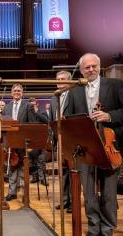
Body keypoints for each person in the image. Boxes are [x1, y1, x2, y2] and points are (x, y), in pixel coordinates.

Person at [64, 53, 123, 236]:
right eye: (86, 67)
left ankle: (108, 228)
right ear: (81, 70)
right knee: (89, 193)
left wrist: (109, 116)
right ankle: (93, 228)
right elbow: (68, 118)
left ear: (99, 66)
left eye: (94, 66)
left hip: (111, 147)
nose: (91, 69)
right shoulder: (74, 91)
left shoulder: (116, 85)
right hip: (85, 149)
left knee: (109, 193)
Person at [3, 84, 45, 201]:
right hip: (10, 141)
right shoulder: (7, 107)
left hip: (23, 142)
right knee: (12, 167)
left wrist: (30, 143)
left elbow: (31, 124)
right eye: (15, 90)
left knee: (22, 168)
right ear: (11, 93)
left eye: (19, 91)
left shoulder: (28, 106)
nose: (17, 92)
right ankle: (12, 192)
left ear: (22, 93)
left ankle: (24, 193)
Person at [50, 70, 73, 213]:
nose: (60, 81)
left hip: (72, 139)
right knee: (63, 171)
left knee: (72, 171)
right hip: (59, 139)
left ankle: (73, 202)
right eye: (58, 79)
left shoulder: (75, 95)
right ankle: (65, 200)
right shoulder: (54, 97)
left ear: (70, 81)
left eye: (63, 79)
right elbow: (51, 120)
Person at [27, 97, 49, 186]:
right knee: (32, 160)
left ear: (37, 104)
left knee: (41, 160)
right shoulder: (27, 113)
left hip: (41, 140)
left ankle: (43, 178)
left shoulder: (42, 112)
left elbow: (47, 121)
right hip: (31, 140)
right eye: (30, 105)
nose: (32, 106)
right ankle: (34, 177)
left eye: (34, 105)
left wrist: (36, 113)